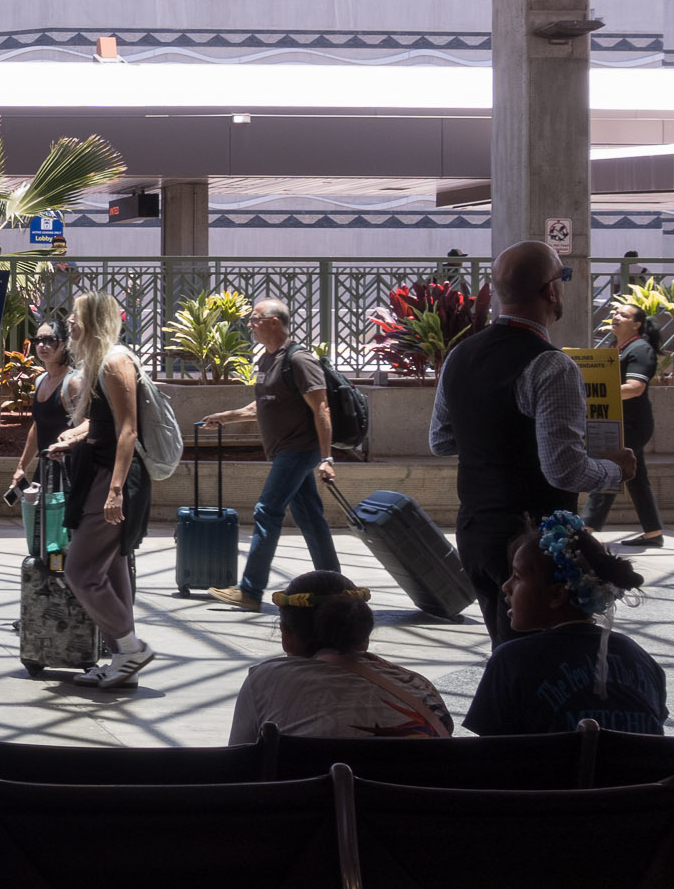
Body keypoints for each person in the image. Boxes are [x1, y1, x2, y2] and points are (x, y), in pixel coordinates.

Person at [430, 242, 629, 648]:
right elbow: (564, 470)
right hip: (532, 546)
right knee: (541, 659)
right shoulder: (551, 365)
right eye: (564, 278)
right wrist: (615, 470)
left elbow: (441, 440)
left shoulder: (459, 356)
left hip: (474, 533)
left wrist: (490, 434)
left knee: (507, 653)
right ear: (550, 290)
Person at [193, 297, 340, 614]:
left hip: (299, 449)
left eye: (255, 319)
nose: (250, 325)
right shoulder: (267, 361)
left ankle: (250, 590)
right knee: (310, 518)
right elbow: (259, 406)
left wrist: (327, 458)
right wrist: (226, 417)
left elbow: (321, 407)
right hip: (286, 451)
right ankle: (335, 586)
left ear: (275, 322)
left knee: (267, 511)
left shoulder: (299, 360)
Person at [44, 293, 159, 687]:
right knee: (109, 568)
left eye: (75, 316)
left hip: (115, 478)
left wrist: (114, 491)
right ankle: (122, 662)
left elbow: (128, 430)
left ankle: (131, 648)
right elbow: (102, 423)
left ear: (91, 320)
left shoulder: (115, 361)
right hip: (101, 473)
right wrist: (72, 437)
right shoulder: (99, 362)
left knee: (80, 571)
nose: (69, 323)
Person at [465, 511, 665, 736]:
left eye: (518, 577)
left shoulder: (511, 661)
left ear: (557, 595)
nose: (506, 586)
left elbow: (488, 753)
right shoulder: (640, 658)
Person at [226, 569, 452, 743]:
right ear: (363, 635)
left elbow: (239, 768)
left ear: (287, 636)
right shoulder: (419, 686)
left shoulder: (266, 680)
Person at [585, 304, 664, 550]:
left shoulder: (640, 350)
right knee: (637, 479)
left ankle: (584, 527)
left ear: (637, 324)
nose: (615, 317)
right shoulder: (617, 348)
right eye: (615, 314)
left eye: (623, 315)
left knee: (611, 466)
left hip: (632, 425)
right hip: (619, 422)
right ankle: (653, 532)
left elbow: (635, 388)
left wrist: (594, 395)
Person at [3, 319, 74, 506]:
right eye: (38, 340)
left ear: (64, 344)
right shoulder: (40, 380)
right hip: (45, 469)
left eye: (50, 340)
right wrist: (21, 467)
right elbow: (37, 427)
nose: (42, 345)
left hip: (70, 473)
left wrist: (69, 440)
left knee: (62, 532)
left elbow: (90, 424)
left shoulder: (73, 382)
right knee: (42, 529)